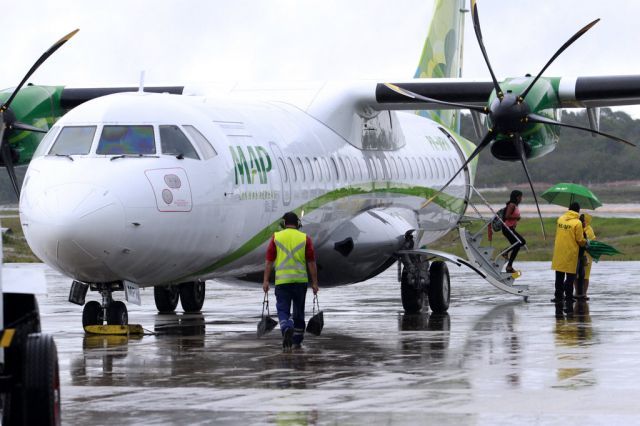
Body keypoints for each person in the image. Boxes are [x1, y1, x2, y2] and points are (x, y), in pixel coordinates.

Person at [263, 212, 319, 350]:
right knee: (298, 312)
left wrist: (265, 281)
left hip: (283, 282)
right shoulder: (305, 238)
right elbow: (311, 262)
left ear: (283, 223)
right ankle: (297, 341)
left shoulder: (276, 237)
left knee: (283, 309)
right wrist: (315, 283)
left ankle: (287, 327)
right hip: (300, 282)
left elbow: (269, 262)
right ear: (298, 224)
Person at [551, 202, 587, 304]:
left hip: (559, 251)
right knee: (570, 276)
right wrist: (586, 242)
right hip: (571, 252)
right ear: (578, 211)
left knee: (559, 276)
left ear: (569, 209)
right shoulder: (577, 223)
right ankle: (568, 297)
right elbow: (580, 240)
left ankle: (558, 296)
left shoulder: (560, 219)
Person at [501, 190, 525, 273]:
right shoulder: (511, 205)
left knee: (517, 245)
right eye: (520, 197)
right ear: (516, 197)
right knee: (521, 242)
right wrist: (516, 218)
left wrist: (515, 220)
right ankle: (505, 252)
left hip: (510, 228)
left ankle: (509, 266)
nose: (521, 199)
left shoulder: (515, 205)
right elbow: (507, 216)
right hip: (507, 228)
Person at [574, 213, 596, 300]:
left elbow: (586, 242)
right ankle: (577, 292)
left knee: (585, 276)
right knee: (576, 275)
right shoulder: (578, 227)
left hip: (586, 256)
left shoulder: (589, 230)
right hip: (578, 255)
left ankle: (584, 293)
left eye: (583, 220)